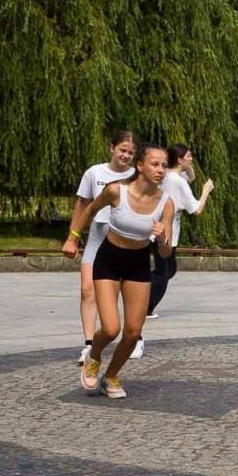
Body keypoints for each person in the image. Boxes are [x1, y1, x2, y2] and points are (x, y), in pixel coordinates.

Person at [61, 143, 175, 399]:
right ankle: (94, 355)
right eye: (155, 164)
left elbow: (166, 253)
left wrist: (162, 239)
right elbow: (89, 209)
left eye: (164, 166)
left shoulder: (166, 203)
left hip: (138, 263)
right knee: (111, 328)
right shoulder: (116, 191)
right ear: (140, 166)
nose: (160, 170)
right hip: (109, 259)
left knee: (133, 332)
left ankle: (111, 375)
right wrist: (73, 237)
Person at [73, 130, 136, 364]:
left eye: (130, 152)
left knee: (120, 293)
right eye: (122, 150)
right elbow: (82, 205)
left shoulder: (137, 175)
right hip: (98, 235)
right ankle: (88, 344)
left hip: (124, 239)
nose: (126, 155)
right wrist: (73, 236)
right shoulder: (94, 173)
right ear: (112, 148)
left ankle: (133, 337)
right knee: (87, 289)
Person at [146, 143, 214, 319]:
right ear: (179, 159)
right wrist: (205, 191)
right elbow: (197, 210)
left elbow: (191, 178)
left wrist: (189, 166)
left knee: (170, 269)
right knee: (163, 272)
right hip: (165, 232)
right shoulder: (177, 181)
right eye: (189, 156)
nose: (192, 159)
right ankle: (146, 307)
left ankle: (143, 293)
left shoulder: (170, 176)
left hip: (162, 230)